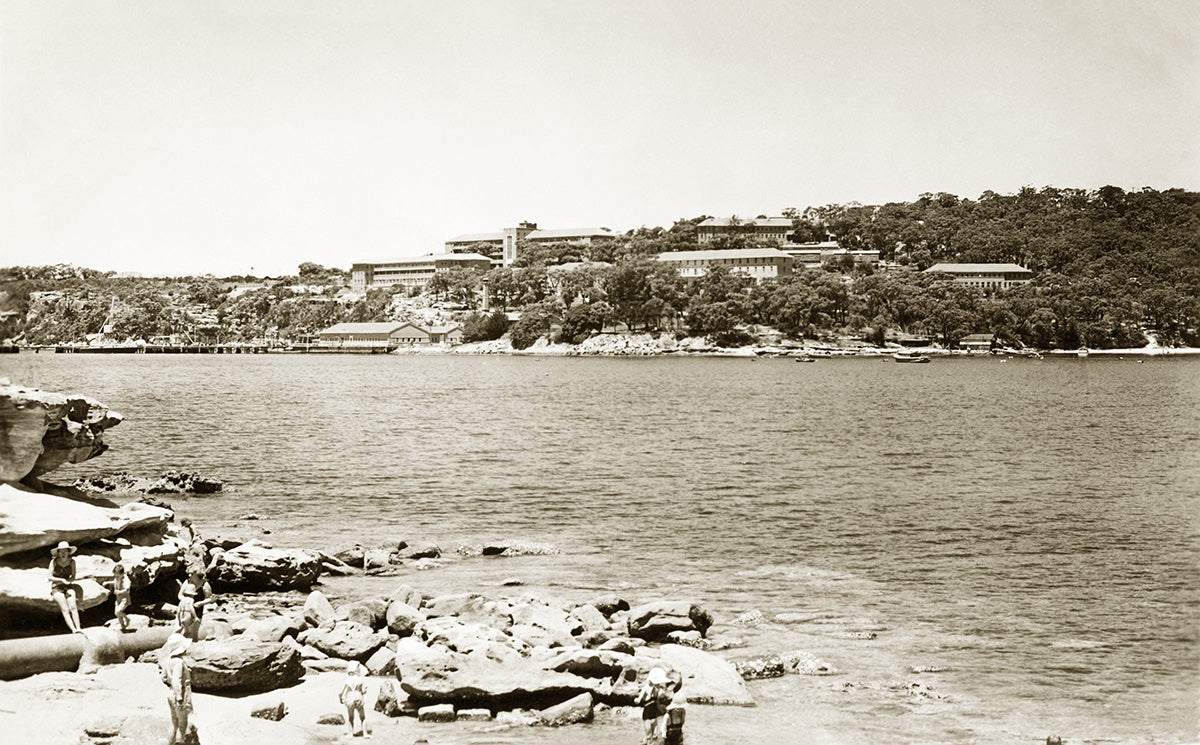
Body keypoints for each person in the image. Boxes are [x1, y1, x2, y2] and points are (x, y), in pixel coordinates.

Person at [159, 632, 194, 745]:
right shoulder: (179, 662)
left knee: (174, 722)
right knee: (182, 725)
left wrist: (170, 686)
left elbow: (163, 677)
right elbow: (176, 680)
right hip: (180, 695)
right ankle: (180, 742)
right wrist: (179, 697)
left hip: (171, 693)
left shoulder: (169, 660)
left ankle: (170, 742)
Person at [48, 541, 83, 633]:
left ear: (68, 552)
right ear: (58, 553)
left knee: (73, 606)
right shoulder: (54, 562)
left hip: (68, 586)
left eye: (65, 551)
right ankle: (73, 629)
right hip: (57, 586)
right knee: (65, 608)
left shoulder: (72, 562)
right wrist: (61, 580)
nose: (63, 553)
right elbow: (49, 577)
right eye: (61, 551)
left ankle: (79, 628)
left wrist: (69, 581)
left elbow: (74, 576)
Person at [636, 667, 673, 745]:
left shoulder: (657, 689)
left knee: (655, 735)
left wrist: (662, 710)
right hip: (647, 713)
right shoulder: (646, 688)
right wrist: (637, 700)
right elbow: (639, 699)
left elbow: (657, 702)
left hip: (654, 713)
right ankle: (647, 740)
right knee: (648, 734)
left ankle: (651, 742)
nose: (659, 684)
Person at [339, 661, 370, 737]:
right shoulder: (360, 679)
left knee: (351, 717)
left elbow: (340, 692)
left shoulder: (347, 680)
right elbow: (363, 691)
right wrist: (364, 690)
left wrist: (340, 699)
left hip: (350, 698)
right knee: (362, 717)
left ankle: (350, 734)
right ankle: (365, 734)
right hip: (358, 697)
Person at [663, 671, 687, 745]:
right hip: (675, 731)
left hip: (672, 731)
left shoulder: (672, 694)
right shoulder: (682, 710)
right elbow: (683, 721)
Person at [109, 563, 131, 632]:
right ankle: (123, 627)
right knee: (117, 613)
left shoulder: (126, 580)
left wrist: (119, 592)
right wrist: (107, 582)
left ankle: (127, 619)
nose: (115, 576)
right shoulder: (117, 578)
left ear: (122, 574)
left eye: (117, 574)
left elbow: (127, 590)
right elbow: (115, 582)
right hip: (118, 599)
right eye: (115, 574)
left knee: (118, 612)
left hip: (124, 599)